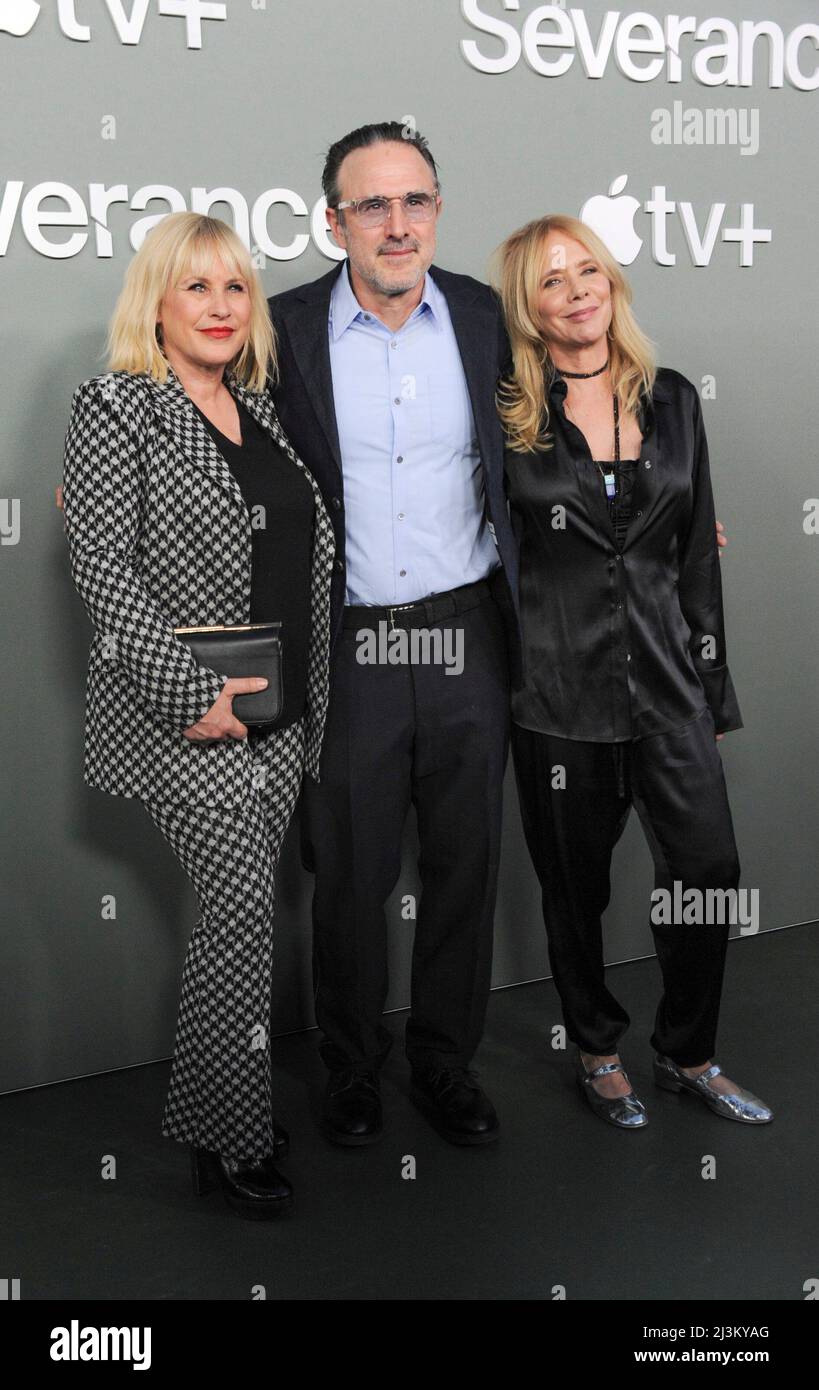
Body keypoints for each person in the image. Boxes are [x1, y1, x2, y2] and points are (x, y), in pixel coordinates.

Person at [61, 211, 335, 1216]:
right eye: (197, 289)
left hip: (283, 716)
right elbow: (102, 563)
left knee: (244, 924)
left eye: (235, 289)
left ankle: (231, 1107)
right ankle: (226, 1140)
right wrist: (189, 693)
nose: (220, 308)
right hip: (191, 720)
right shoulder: (116, 407)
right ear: (158, 303)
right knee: (239, 926)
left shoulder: (259, 412)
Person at [267, 122, 522, 1147]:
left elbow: (554, 437)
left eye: (415, 199)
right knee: (351, 874)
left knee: (465, 865)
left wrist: (656, 512)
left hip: (468, 638)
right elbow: (204, 424)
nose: (397, 222)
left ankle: (445, 1063)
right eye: (372, 204)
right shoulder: (278, 328)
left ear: (438, 208)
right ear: (334, 220)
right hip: (351, 647)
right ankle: (352, 1068)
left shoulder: (483, 316)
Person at [496, 214, 772, 1128]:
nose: (576, 291)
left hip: (668, 687)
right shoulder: (505, 412)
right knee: (574, 891)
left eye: (587, 271)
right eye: (550, 281)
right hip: (555, 695)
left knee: (706, 867)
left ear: (611, 280)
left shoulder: (674, 399)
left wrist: (713, 692)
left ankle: (687, 1053)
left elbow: (698, 553)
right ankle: (597, 1051)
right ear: (527, 308)